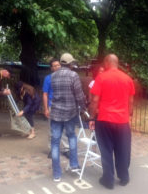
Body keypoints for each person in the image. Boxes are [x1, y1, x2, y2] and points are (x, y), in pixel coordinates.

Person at [89, 54, 135, 189]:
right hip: (122, 121)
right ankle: (124, 177)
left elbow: (95, 100)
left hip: (104, 119)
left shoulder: (101, 78)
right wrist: (128, 116)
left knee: (106, 149)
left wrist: (92, 117)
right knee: (123, 149)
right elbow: (130, 101)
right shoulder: (128, 79)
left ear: (107, 63)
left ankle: (108, 180)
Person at [49, 53, 86, 182]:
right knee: (71, 137)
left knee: (55, 142)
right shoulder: (73, 75)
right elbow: (79, 95)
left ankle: (56, 174)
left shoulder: (53, 76)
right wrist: (84, 107)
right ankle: (74, 165)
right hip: (70, 113)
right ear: (70, 64)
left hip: (55, 113)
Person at [42, 58, 69, 158]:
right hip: (52, 106)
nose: (57, 67)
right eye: (54, 66)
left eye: (58, 65)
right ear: (51, 68)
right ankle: (52, 149)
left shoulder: (66, 77)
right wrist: (46, 109)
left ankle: (66, 149)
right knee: (52, 129)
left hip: (65, 106)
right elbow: (45, 94)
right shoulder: (48, 78)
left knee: (66, 128)